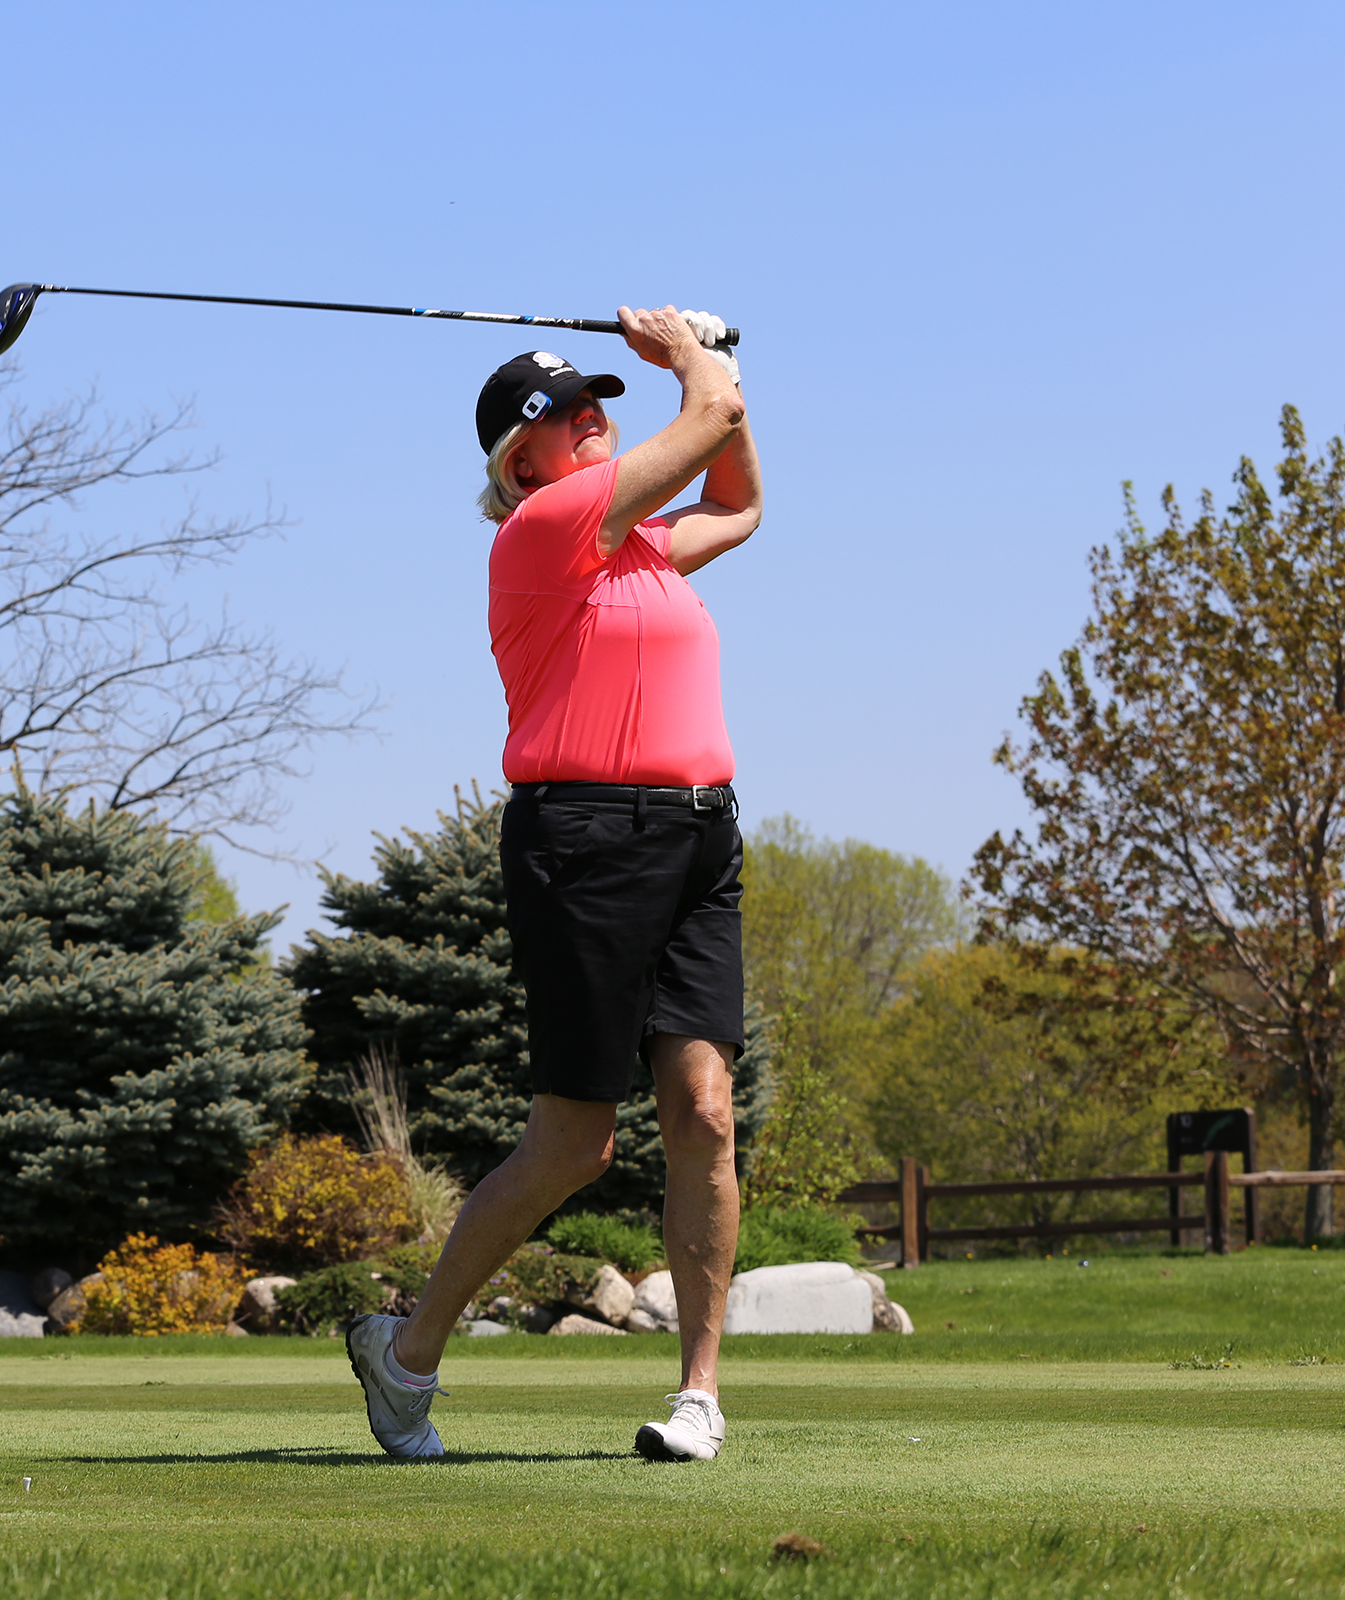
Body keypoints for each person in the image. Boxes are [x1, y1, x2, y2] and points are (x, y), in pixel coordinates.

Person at [345, 305, 761, 1463]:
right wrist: (694, 359)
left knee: (705, 1111)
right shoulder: (539, 532)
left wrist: (710, 374)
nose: (591, 419)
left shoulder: (635, 546)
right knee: (576, 1143)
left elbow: (738, 499)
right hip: (583, 843)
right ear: (517, 460)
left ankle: (699, 1394)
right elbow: (713, 416)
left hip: (700, 840)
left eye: (597, 406)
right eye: (567, 413)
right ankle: (409, 1351)